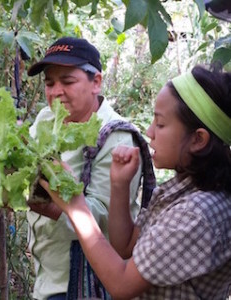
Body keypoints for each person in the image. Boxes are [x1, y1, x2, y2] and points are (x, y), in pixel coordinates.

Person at [40, 64, 231, 299]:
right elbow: (125, 247)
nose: (150, 132)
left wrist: (76, 207)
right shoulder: (179, 192)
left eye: (160, 124)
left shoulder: (197, 214)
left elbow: (120, 284)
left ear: (198, 139)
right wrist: (120, 185)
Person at [26, 37, 146, 300]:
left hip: (85, 287)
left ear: (96, 82)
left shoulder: (117, 137)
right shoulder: (46, 118)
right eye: (49, 83)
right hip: (47, 277)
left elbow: (107, 222)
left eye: (67, 82)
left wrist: (44, 203)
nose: (56, 91)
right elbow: (26, 165)